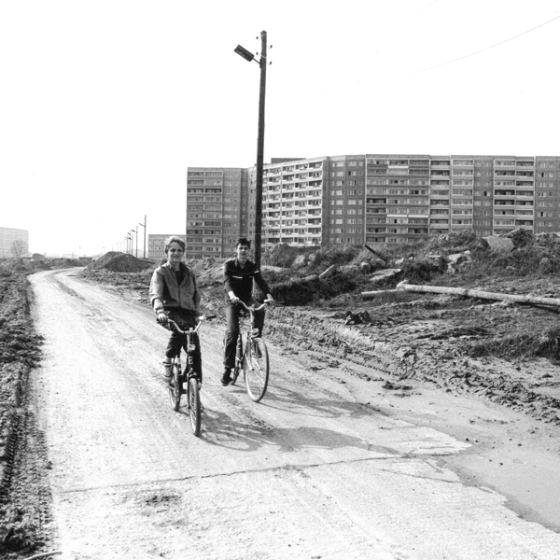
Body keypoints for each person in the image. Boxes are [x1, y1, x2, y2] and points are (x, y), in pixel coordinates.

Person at [222, 237, 275, 387]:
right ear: (236, 250)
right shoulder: (229, 265)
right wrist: (232, 296)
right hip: (232, 300)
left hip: (246, 298)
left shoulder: (252, 266)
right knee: (232, 333)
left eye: (246, 248)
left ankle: (256, 340)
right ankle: (227, 370)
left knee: (259, 309)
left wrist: (269, 295)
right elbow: (227, 283)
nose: (243, 251)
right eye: (241, 248)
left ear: (249, 251)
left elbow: (260, 281)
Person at [149, 236, 202, 381]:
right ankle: (168, 358)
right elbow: (156, 294)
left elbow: (196, 295)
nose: (176, 253)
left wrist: (198, 313)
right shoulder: (160, 272)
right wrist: (160, 311)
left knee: (195, 349)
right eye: (172, 250)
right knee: (181, 330)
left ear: (183, 252)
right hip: (169, 312)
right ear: (167, 252)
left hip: (188, 313)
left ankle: (195, 384)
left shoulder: (189, 273)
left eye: (179, 250)